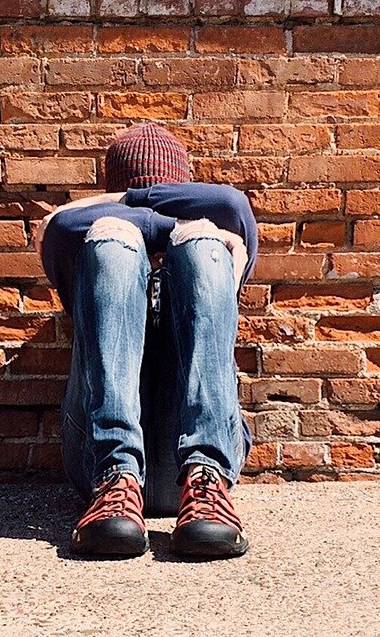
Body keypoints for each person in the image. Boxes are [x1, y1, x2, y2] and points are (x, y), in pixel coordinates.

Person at [35, 123, 259, 560]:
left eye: (163, 191)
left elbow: (230, 204)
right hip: (99, 470)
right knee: (111, 242)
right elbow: (61, 225)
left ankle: (206, 475)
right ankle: (118, 476)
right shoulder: (96, 250)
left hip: (206, 474)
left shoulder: (218, 253)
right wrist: (127, 217)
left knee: (200, 243)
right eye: (132, 197)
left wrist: (143, 211)